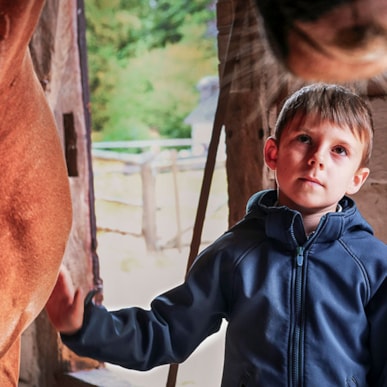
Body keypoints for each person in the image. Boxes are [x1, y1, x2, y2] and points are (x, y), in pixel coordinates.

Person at [46, 83, 387, 386]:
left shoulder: (373, 265)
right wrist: (85, 327)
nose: (317, 159)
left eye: (338, 150)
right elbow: (166, 331)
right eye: (304, 140)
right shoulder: (235, 254)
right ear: (273, 153)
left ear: (357, 178)